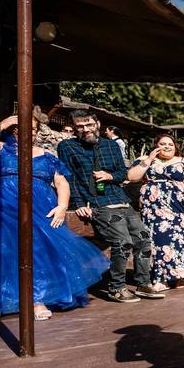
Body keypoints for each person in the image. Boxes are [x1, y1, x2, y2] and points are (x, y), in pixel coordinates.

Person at [0, 111, 109, 325]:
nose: (29, 133)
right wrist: (4, 122)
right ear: (12, 129)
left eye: (33, 130)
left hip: (38, 208)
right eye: (22, 128)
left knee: (40, 253)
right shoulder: (1, 147)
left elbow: (61, 182)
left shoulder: (46, 155)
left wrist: (62, 206)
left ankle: (38, 300)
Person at [58, 110, 163, 302]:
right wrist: (79, 204)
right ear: (74, 128)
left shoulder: (111, 145)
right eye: (80, 126)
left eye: (88, 124)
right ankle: (117, 288)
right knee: (123, 242)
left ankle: (143, 284)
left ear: (97, 124)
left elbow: (123, 173)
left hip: (120, 200)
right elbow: (68, 177)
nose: (85, 129)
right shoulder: (67, 146)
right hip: (98, 203)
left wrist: (110, 176)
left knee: (144, 240)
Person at [127, 133, 184, 290]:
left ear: (175, 146)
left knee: (180, 242)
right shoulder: (145, 160)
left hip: (180, 210)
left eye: (170, 144)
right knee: (159, 242)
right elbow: (132, 177)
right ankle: (160, 279)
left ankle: (179, 278)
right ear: (156, 145)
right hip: (154, 211)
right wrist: (148, 160)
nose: (167, 146)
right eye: (162, 144)